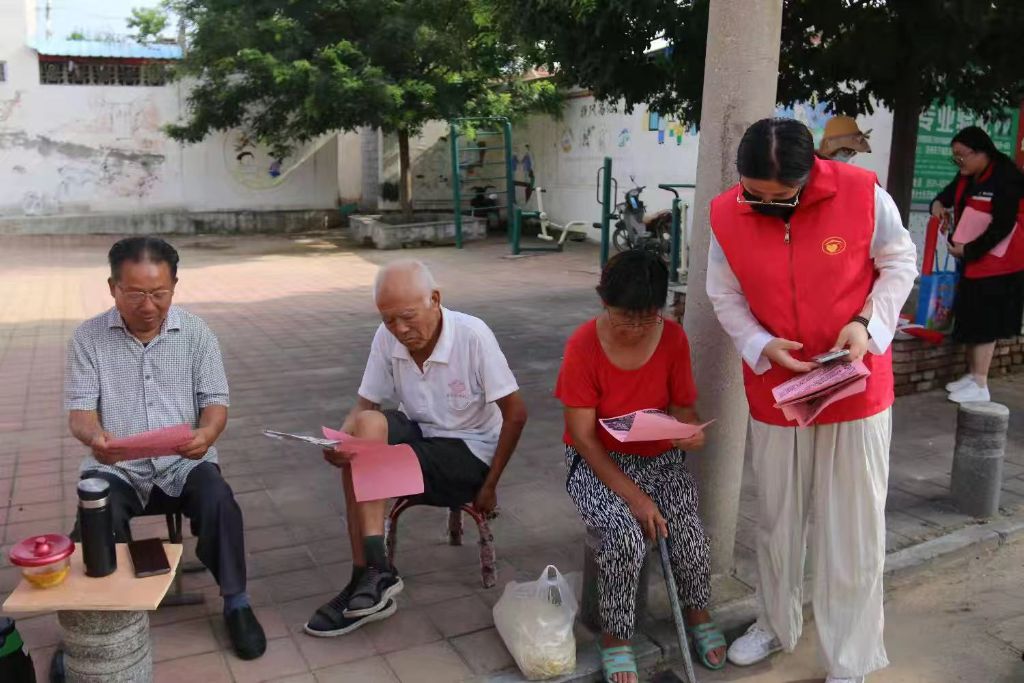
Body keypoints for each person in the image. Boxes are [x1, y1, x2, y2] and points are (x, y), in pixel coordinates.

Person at [707, 118, 917, 683]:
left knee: (853, 524)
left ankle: (850, 656)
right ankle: (774, 624)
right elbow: (722, 292)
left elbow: (899, 262)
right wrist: (759, 343)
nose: (765, 206)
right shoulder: (725, 213)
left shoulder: (863, 194)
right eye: (755, 194)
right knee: (777, 519)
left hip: (854, 381)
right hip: (780, 388)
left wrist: (866, 323)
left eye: (781, 197)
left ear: (810, 175)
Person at [64, 236, 266, 660]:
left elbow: (215, 402)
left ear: (175, 286)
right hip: (119, 467)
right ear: (112, 287)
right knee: (95, 516)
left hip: (182, 463)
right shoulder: (88, 338)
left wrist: (207, 435)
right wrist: (95, 437)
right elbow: (80, 412)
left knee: (219, 500)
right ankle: (103, 616)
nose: (149, 306)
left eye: (159, 293)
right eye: (135, 294)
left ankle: (237, 602)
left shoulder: (196, 333)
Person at [305, 259, 527, 637]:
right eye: (388, 320)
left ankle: (368, 575)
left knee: (368, 455)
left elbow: (516, 413)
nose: (400, 329)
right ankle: (373, 570)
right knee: (364, 431)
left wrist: (490, 485)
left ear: (435, 299)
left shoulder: (472, 335)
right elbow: (364, 405)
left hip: (467, 452)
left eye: (407, 317)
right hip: (421, 435)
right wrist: (340, 440)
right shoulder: (387, 336)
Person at [556, 250, 724, 683]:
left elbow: (683, 406)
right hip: (596, 462)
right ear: (603, 302)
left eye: (646, 318)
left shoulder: (673, 339)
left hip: (658, 456)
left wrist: (689, 430)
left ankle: (698, 613)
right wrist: (636, 498)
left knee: (689, 533)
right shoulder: (582, 345)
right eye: (624, 317)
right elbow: (583, 437)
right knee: (625, 538)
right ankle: (615, 637)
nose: (634, 328)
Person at [932, 125, 1024, 403]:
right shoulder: (967, 176)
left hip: (998, 262)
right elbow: (946, 196)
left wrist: (969, 250)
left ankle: (981, 383)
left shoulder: (1006, 177)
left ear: (981, 152)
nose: (958, 161)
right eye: (955, 156)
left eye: (962, 155)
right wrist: (938, 206)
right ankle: (973, 376)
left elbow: (1002, 226)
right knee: (971, 315)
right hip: (971, 260)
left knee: (986, 321)